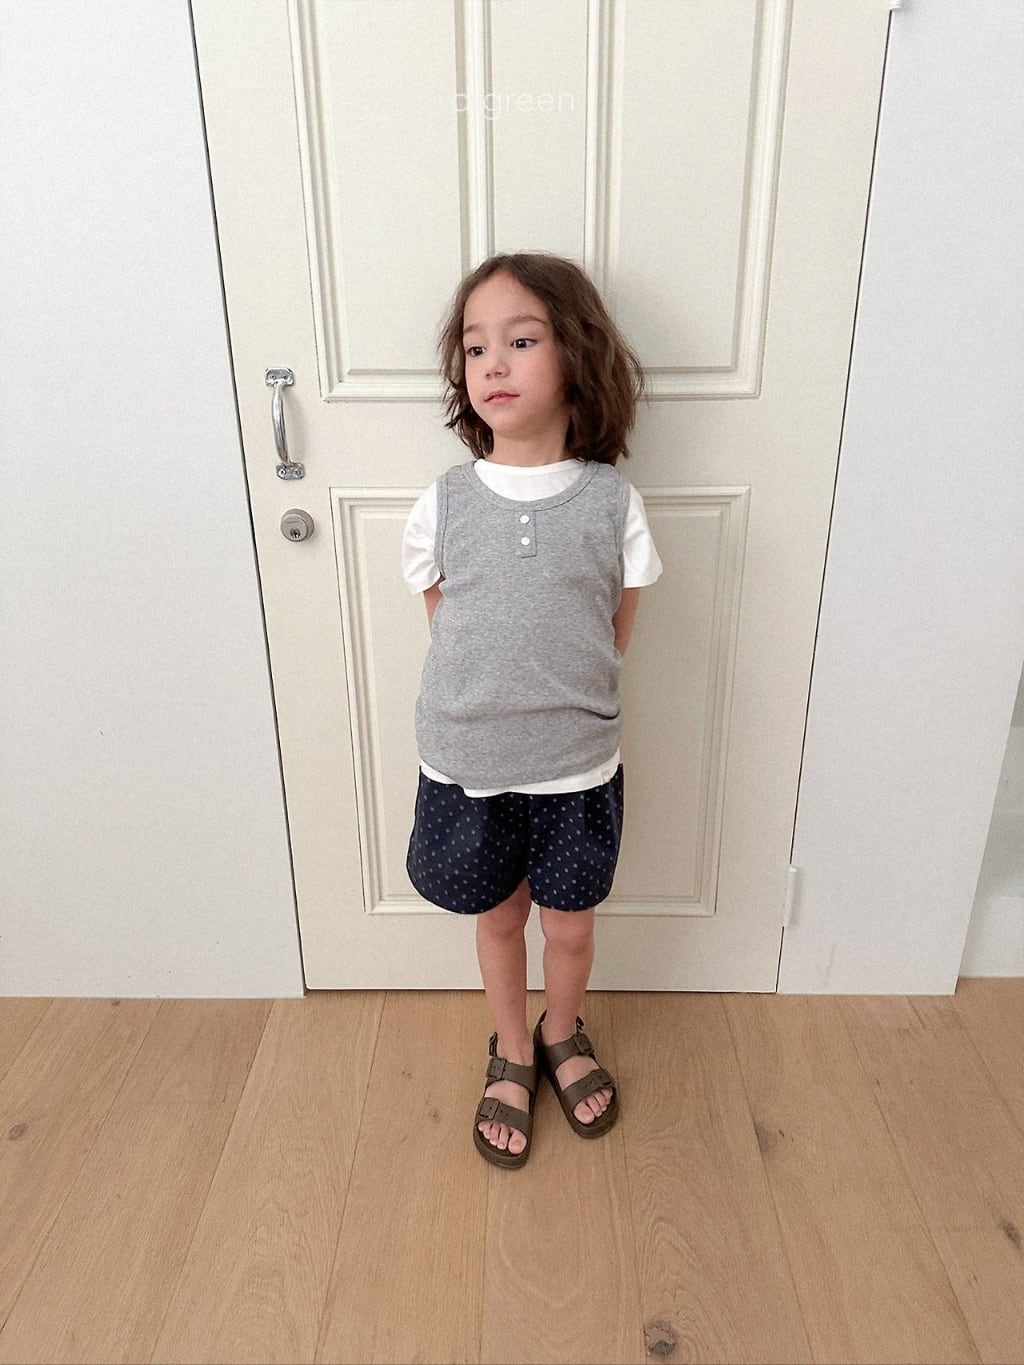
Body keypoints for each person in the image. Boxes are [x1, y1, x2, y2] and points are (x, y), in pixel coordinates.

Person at [402, 252, 662, 1168]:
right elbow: (447, 618)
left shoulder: (612, 502)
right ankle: (511, 1043)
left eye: (520, 341)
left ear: (575, 355)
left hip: (577, 766)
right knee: (500, 917)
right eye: (476, 349)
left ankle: (561, 1029)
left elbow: (615, 625)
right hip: (471, 766)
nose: (494, 365)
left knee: (571, 924)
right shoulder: (445, 500)